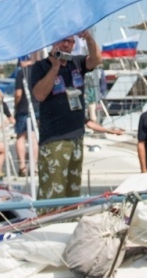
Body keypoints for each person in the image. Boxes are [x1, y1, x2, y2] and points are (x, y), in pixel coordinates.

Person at [31, 32, 122, 200]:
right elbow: (39, 95)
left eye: (70, 42)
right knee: (53, 192)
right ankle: (50, 216)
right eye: (62, 41)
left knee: (72, 191)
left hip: (77, 137)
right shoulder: (41, 66)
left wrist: (88, 38)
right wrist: (55, 67)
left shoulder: (76, 62)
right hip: (54, 139)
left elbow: (96, 59)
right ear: (53, 42)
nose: (66, 45)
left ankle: (69, 216)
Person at [14, 62, 38, 177]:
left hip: (23, 108)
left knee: (21, 136)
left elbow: (18, 94)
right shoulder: (38, 70)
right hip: (37, 107)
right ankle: (34, 167)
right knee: (33, 137)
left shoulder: (21, 72)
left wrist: (16, 106)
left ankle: (22, 167)